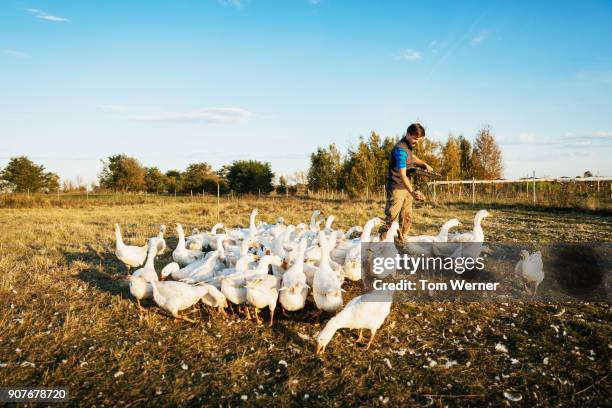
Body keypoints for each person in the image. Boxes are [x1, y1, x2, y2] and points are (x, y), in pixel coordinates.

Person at [383, 123, 434, 241]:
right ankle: (383, 243)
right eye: (415, 138)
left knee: (406, 216)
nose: (417, 142)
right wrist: (412, 192)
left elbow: (411, 157)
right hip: (396, 188)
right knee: (392, 219)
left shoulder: (408, 147)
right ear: (408, 134)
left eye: (419, 139)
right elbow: (402, 174)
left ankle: (401, 241)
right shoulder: (400, 150)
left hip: (405, 187)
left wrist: (423, 164)